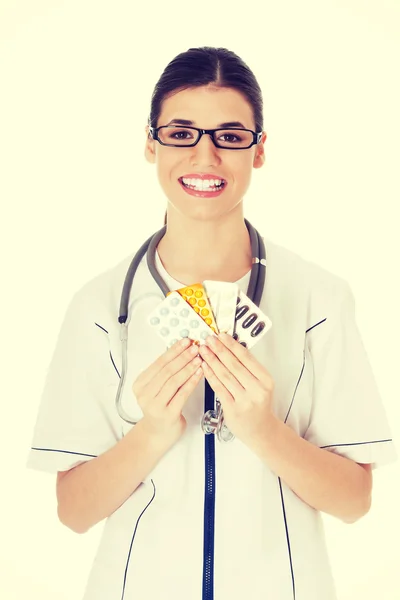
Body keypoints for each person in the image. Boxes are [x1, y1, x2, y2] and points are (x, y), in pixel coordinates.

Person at [27, 46, 397, 600]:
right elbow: (73, 513)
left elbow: (354, 501)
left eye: (229, 135)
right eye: (180, 134)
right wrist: (151, 432)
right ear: (151, 144)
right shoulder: (100, 307)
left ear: (259, 150)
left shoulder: (320, 299)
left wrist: (263, 429)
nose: (204, 156)